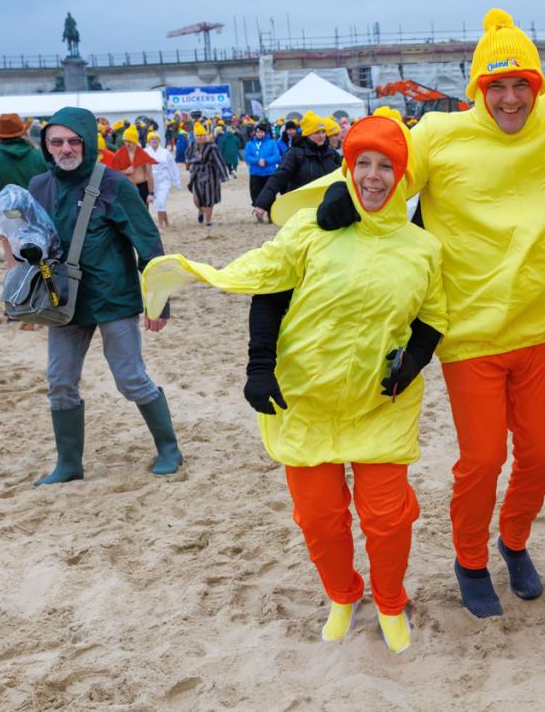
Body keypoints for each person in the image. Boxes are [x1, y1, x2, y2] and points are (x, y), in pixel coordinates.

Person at [141, 108, 444, 653]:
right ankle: (343, 594)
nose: (374, 176)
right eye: (363, 163)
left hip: (381, 404)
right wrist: (258, 368)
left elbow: (434, 316)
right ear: (347, 168)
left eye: (386, 167)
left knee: (389, 519)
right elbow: (270, 291)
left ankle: (392, 601)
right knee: (321, 520)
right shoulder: (311, 228)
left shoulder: (423, 247)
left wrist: (416, 358)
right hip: (303, 400)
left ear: (402, 177)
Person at [312, 9, 545, 618]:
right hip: (468, 335)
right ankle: (470, 557)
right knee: (483, 459)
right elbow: (383, 172)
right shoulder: (438, 133)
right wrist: (341, 194)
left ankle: (513, 540)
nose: (511, 98)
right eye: (497, 86)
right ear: (477, 88)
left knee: (541, 457)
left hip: (541, 327)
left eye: (522, 86)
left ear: (537, 87)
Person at [30, 107, 181, 486]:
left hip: (113, 297)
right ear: (47, 146)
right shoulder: (39, 187)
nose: (65, 149)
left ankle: (168, 448)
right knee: (60, 381)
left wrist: (159, 301)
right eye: (57, 142)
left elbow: (149, 243)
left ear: (87, 142)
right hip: (62, 301)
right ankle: (68, 463)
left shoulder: (115, 184)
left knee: (130, 379)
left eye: (73, 141)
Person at [0, 113, 47, 267]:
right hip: (37, 211)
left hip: (7, 214)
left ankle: (19, 286)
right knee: (41, 257)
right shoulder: (39, 155)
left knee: (14, 261)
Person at [252, 112, 339, 220]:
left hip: (327, 207)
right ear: (308, 134)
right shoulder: (295, 154)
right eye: (316, 132)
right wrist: (262, 203)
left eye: (323, 132)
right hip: (301, 209)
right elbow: (279, 177)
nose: (321, 136)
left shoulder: (331, 154)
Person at [187, 123, 229, 226]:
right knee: (196, 198)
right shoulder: (192, 145)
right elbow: (187, 158)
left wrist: (223, 175)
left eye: (201, 135)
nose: (199, 137)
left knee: (209, 198)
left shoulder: (212, 146)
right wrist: (196, 159)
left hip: (210, 174)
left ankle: (208, 220)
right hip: (196, 174)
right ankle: (201, 211)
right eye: (197, 135)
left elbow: (219, 160)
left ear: (205, 135)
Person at [109, 125, 157, 208]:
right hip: (127, 187)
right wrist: (125, 172)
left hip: (142, 187)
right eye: (125, 141)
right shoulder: (119, 154)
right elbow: (113, 173)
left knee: (143, 213)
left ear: (135, 141)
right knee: (129, 214)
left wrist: (151, 193)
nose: (127, 144)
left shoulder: (143, 155)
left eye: (129, 141)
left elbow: (149, 175)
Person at [244, 124, 283, 220]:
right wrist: (257, 161)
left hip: (269, 172)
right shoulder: (250, 144)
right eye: (257, 132)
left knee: (270, 194)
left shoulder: (271, 143)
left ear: (265, 133)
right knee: (255, 193)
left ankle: (270, 213)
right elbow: (247, 156)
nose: (259, 134)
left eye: (261, 132)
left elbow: (276, 156)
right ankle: (258, 213)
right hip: (255, 173)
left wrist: (266, 161)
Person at [145, 132, 179, 228]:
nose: (154, 140)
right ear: (148, 141)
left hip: (164, 180)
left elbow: (172, 166)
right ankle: (167, 222)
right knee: (160, 202)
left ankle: (160, 225)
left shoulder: (165, 152)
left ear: (159, 141)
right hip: (151, 181)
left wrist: (176, 180)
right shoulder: (145, 152)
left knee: (160, 201)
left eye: (156, 138)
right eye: (152, 138)